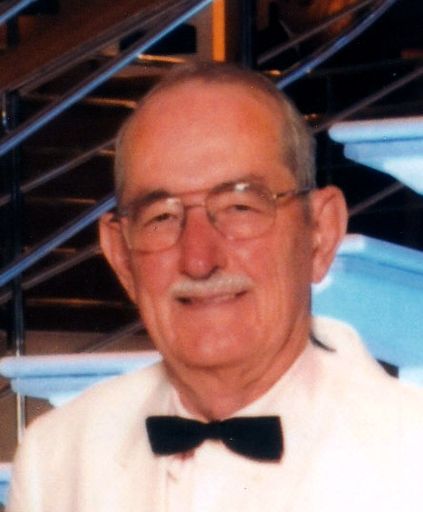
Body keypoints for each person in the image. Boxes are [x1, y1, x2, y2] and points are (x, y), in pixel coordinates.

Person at [6, 61, 423, 512]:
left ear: (320, 233)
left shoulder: (410, 453)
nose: (199, 259)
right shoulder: (56, 460)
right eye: (161, 217)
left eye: (240, 207)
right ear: (122, 257)